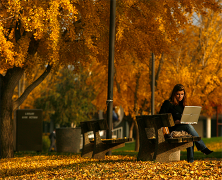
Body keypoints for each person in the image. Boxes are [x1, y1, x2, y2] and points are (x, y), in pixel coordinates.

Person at [159, 84, 213, 163]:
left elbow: (184, 119)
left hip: (182, 128)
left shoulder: (183, 105)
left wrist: (189, 120)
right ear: (174, 94)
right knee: (188, 127)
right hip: (171, 129)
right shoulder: (168, 103)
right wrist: (175, 122)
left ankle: (191, 161)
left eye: (182, 94)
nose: (180, 96)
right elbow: (161, 118)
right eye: (178, 94)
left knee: (189, 131)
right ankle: (202, 148)